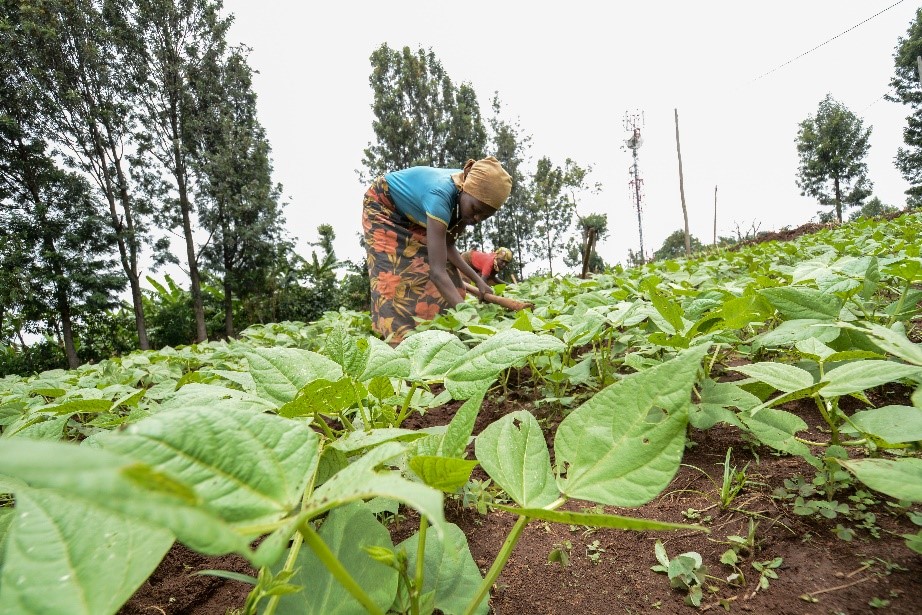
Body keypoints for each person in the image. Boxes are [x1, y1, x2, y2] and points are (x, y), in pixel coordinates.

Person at [362, 156, 513, 343]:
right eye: (475, 209)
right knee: (394, 279)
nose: (476, 218)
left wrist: (477, 281)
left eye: (484, 216)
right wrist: (471, 320)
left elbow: (448, 245)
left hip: (414, 215)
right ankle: (399, 348)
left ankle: (443, 342)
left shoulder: (463, 204)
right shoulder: (440, 199)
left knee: (452, 280)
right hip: (383, 206)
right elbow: (437, 273)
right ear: (465, 189)